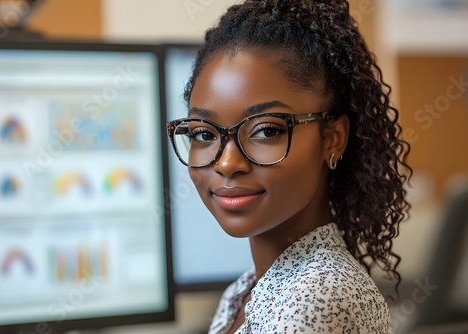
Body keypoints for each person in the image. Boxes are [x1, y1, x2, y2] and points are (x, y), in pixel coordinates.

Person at [166, 0, 411, 332]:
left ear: (333, 139)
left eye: (267, 131)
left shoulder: (320, 297)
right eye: (202, 133)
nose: (226, 163)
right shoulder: (242, 293)